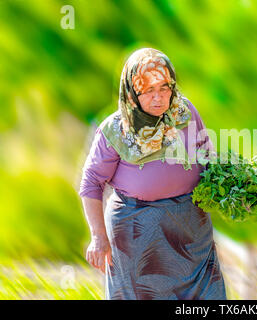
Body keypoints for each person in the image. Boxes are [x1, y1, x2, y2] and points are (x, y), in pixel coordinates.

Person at [78, 47, 227, 300]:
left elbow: (206, 156)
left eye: (164, 88)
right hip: (136, 236)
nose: (158, 98)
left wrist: (240, 184)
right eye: (148, 91)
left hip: (190, 232)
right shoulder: (114, 131)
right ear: (132, 92)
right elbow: (92, 183)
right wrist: (98, 236)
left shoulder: (185, 113)